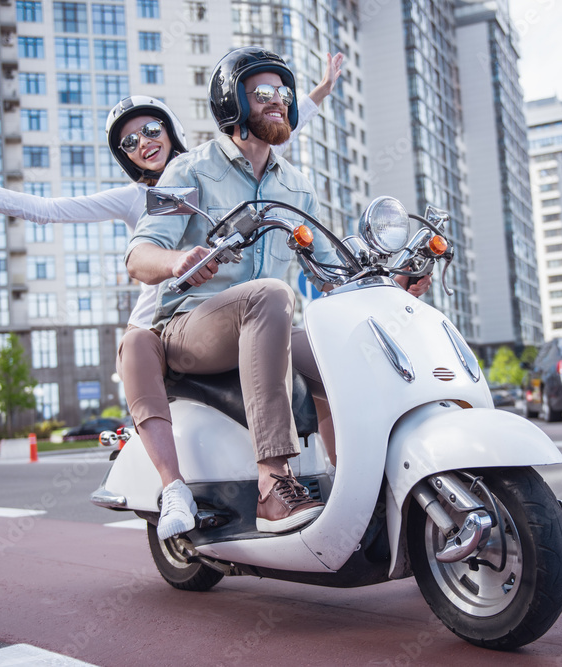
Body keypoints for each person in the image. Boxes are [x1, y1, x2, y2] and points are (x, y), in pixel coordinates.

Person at [0, 53, 346, 540]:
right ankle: (233, 484)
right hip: (176, 320)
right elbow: (49, 210)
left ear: (170, 130)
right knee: (161, 335)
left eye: (151, 130)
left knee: (334, 344)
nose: (143, 143)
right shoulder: (176, 182)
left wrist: (316, 90)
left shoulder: (269, 177)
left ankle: (352, 478)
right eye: (129, 142)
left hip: (253, 313)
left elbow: (277, 124)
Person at [127, 47, 430, 534]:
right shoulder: (188, 171)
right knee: (268, 294)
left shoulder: (296, 187)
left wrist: (392, 284)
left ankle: (354, 482)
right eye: (264, 93)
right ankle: (273, 484)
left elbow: (334, 274)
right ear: (233, 103)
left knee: (341, 347)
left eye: (284, 93)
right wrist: (176, 260)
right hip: (188, 329)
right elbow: (138, 255)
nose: (280, 102)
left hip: (266, 323)